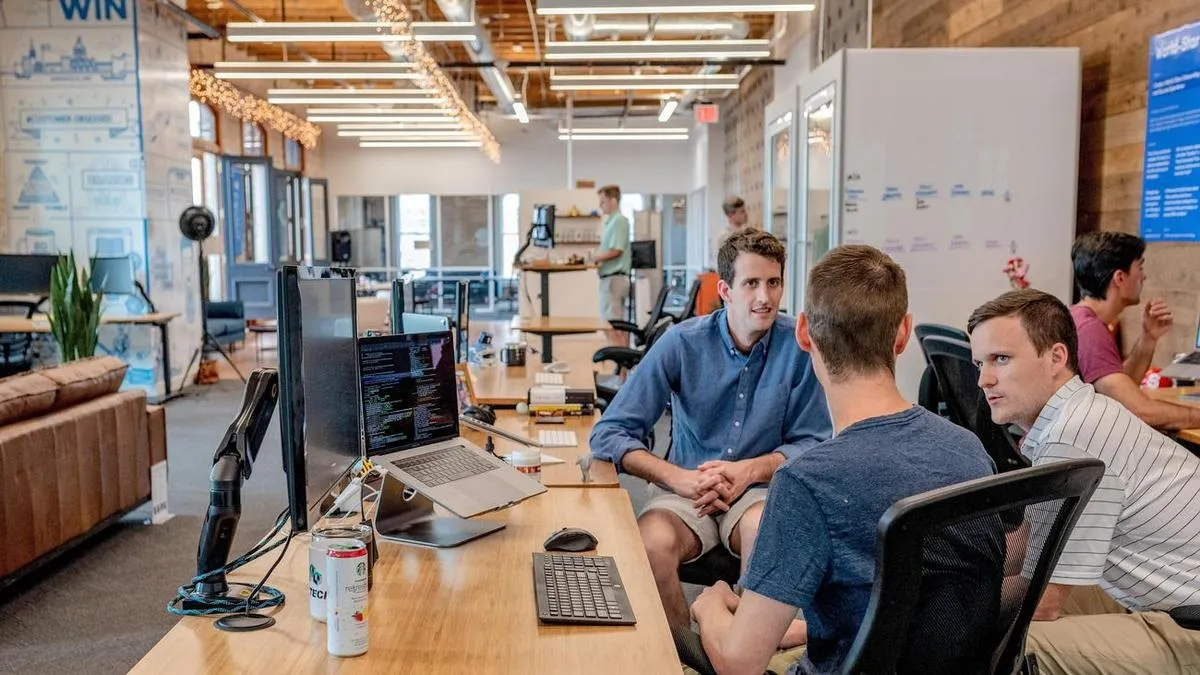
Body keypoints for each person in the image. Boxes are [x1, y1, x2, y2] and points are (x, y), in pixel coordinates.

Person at [691, 245, 1002, 675]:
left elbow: (740, 662)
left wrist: (709, 608)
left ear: (803, 333)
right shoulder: (968, 450)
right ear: (903, 333)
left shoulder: (808, 482)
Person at [590, 228, 832, 632]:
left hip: (759, 491)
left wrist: (750, 471)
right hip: (685, 487)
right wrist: (676, 478)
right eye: (751, 283)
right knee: (650, 545)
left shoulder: (800, 347)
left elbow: (816, 442)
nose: (765, 297)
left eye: (773, 283)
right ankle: (685, 653)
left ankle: (742, 650)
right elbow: (610, 432)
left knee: (765, 535)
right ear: (725, 289)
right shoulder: (681, 344)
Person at [967, 288, 1200, 675]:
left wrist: (945, 604)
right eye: (979, 364)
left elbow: (1045, 602)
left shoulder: (1070, 437)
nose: (983, 380)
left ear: (1057, 357)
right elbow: (1033, 540)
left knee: (1014, 643)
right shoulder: (1079, 414)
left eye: (1001, 359)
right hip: (1166, 599)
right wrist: (953, 566)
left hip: (1184, 624)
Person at [1069, 231, 1200, 429]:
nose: (1144, 276)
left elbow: (1121, 389)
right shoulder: (1089, 331)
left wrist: (1149, 338)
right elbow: (1139, 410)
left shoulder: (1080, 318)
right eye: (1140, 267)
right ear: (1120, 277)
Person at [594, 185, 632, 346]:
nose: (600, 205)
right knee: (611, 325)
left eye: (603, 202)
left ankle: (622, 368)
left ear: (613, 201)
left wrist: (595, 258)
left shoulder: (619, 221)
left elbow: (617, 250)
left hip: (614, 279)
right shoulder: (611, 222)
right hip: (609, 279)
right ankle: (621, 367)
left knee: (613, 326)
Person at [711, 196, 750, 268]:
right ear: (731, 215)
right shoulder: (725, 237)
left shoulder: (747, 232)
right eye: (742, 211)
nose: (746, 214)